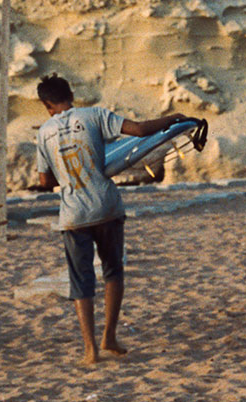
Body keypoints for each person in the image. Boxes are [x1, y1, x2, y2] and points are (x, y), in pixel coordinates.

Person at [31, 74, 192, 365]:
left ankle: (90, 348)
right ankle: (110, 335)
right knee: (113, 271)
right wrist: (173, 119)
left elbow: (45, 180)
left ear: (47, 105)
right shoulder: (94, 115)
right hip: (106, 206)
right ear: (71, 94)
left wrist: (65, 173)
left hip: (73, 214)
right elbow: (141, 130)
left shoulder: (44, 132)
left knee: (81, 281)